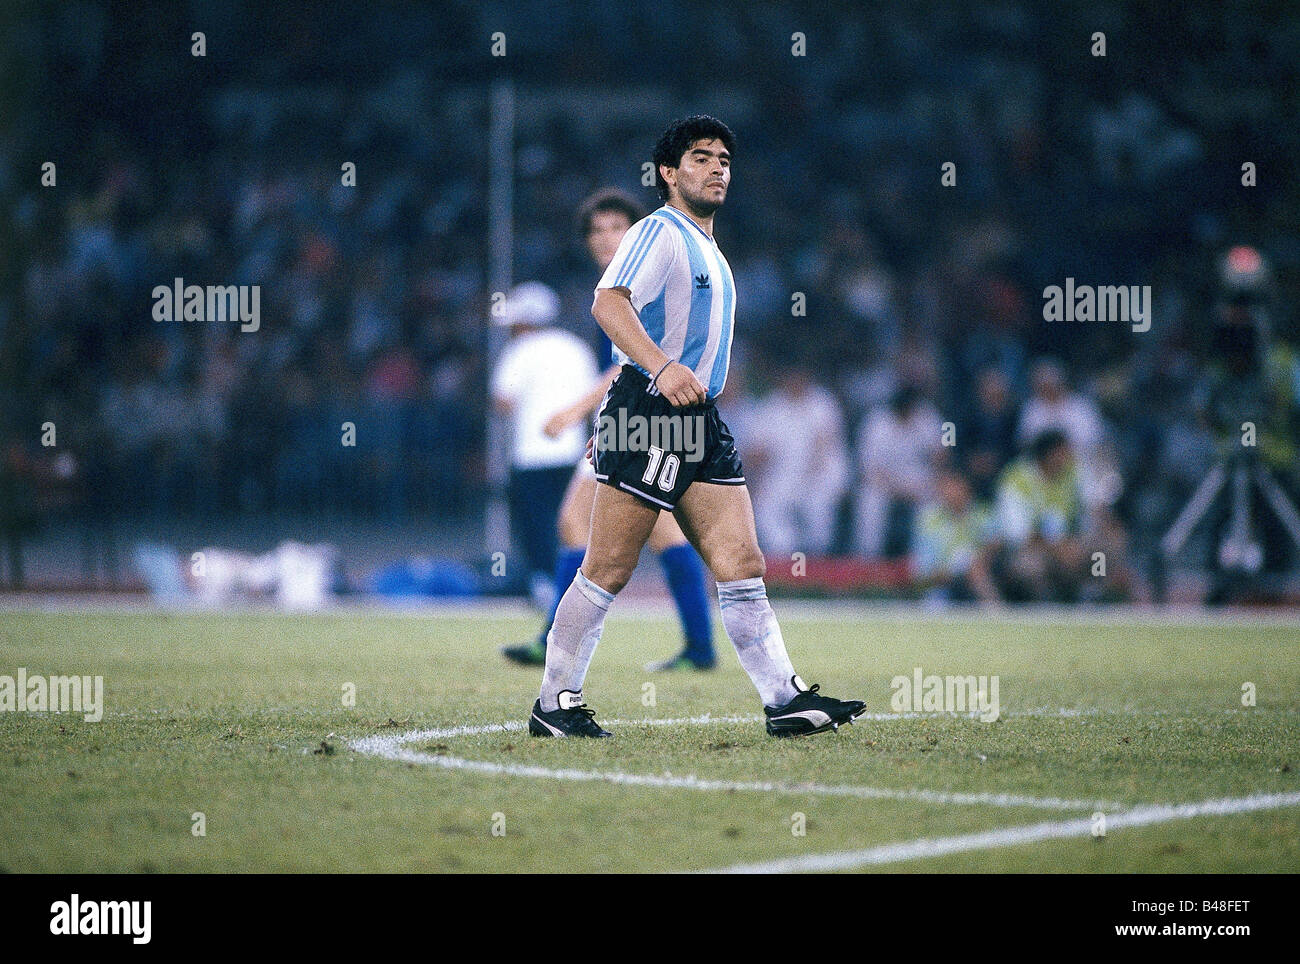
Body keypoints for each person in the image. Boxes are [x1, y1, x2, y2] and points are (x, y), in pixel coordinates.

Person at [527, 115, 865, 739]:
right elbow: (607, 302)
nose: (717, 168)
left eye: (724, 161)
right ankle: (555, 703)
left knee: (743, 559)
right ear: (668, 173)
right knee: (608, 568)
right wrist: (661, 367)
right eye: (701, 157)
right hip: (648, 413)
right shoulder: (658, 231)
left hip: (698, 421)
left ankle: (783, 699)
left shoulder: (706, 245)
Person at [502, 189, 716, 671]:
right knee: (589, 526)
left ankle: (560, 640)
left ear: (636, 233)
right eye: (596, 230)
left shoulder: (639, 282)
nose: (604, 238)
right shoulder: (614, 282)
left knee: (650, 531)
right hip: (631, 420)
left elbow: (632, 364)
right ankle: (559, 638)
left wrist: (575, 412)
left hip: (643, 421)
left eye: (615, 228)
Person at [490, 282, 597, 600]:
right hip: (573, 453)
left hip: (531, 454)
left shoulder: (519, 350)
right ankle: (579, 585)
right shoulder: (577, 347)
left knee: (537, 524)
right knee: (572, 523)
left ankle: (545, 585)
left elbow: (502, 401)